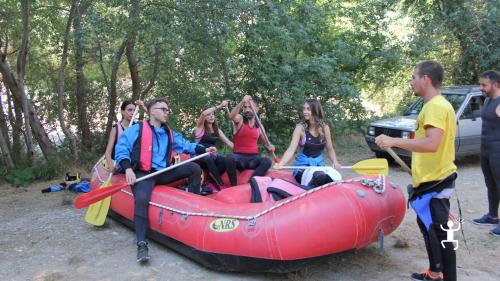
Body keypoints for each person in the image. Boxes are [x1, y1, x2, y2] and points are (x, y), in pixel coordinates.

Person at [375, 61, 457, 281]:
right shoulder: (433, 105)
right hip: (430, 179)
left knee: (440, 234)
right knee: (428, 227)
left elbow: (431, 144)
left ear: (426, 79)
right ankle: (435, 273)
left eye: (413, 77)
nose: (411, 82)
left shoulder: (435, 107)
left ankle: (446, 277)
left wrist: (394, 141)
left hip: (436, 180)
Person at [114, 98, 216, 263]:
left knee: (194, 168)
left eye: (167, 110)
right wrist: (127, 168)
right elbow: (122, 148)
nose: (167, 112)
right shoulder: (137, 129)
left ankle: (194, 208)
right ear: (152, 111)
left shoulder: (168, 132)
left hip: (162, 173)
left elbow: (186, 145)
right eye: (164, 109)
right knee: (141, 199)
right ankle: (141, 243)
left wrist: (204, 149)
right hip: (143, 174)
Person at [275, 99, 341, 187]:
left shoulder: (325, 128)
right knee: (319, 177)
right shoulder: (300, 128)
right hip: (302, 168)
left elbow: (330, 149)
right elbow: (291, 149)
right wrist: (281, 163)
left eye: (308, 109)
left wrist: (335, 162)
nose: (305, 112)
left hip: (318, 167)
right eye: (304, 109)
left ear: (316, 111)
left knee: (332, 178)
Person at [472, 70, 500, 236]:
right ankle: (492, 215)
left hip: (498, 150)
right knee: (491, 184)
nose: (481, 87)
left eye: (484, 85)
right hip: (486, 149)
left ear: (495, 84)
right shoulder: (489, 100)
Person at [226, 95, 275, 186]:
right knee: (230, 158)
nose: (247, 109)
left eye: (250, 107)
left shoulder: (259, 126)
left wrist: (270, 146)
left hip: (253, 159)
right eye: (245, 107)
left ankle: (250, 184)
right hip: (239, 158)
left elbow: (265, 143)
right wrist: (241, 102)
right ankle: (234, 185)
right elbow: (231, 116)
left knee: (267, 161)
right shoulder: (240, 119)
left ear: (256, 109)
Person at [194, 100, 234, 191]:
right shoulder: (200, 127)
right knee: (209, 158)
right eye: (209, 114)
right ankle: (221, 185)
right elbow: (203, 114)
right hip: (199, 155)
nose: (211, 116)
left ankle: (210, 183)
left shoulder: (217, 130)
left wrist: (241, 150)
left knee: (224, 160)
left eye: (213, 114)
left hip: (211, 155)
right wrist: (220, 105)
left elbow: (228, 142)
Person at [104, 100, 147, 171]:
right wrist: (111, 166)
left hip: (134, 164)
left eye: (134, 110)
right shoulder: (116, 129)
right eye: (129, 110)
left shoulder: (138, 127)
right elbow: (108, 152)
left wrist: (144, 108)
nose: (133, 113)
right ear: (122, 112)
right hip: (120, 164)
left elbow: (155, 119)